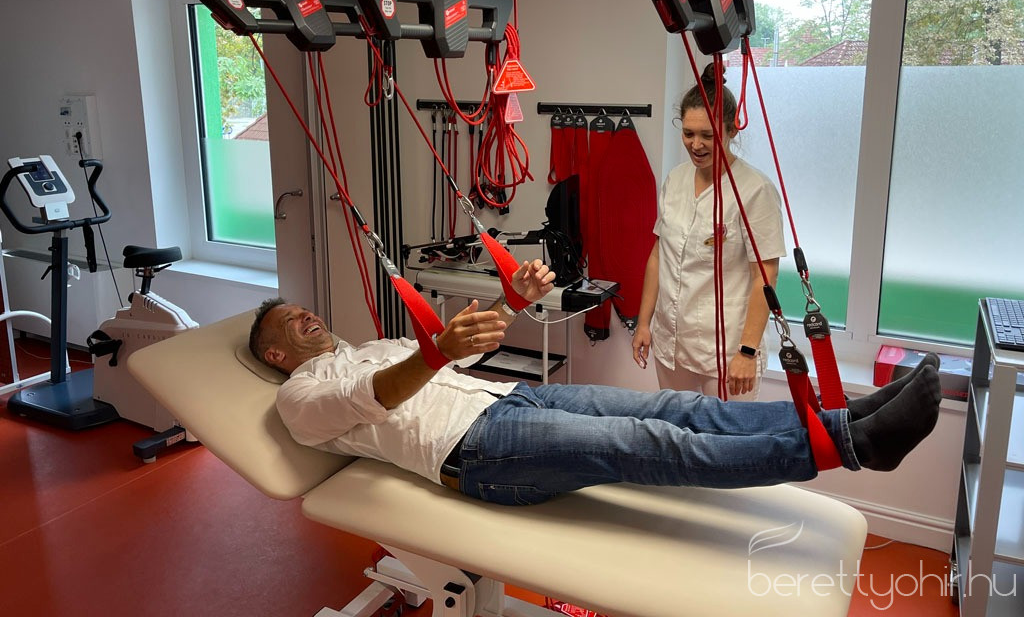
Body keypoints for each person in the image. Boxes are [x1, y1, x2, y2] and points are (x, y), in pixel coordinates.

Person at [249, 259, 942, 507]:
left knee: (674, 406)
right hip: (475, 454)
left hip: (511, 400)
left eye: (303, 309)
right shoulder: (296, 398)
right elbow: (372, 398)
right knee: (646, 442)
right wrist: (433, 355)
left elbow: (459, 355)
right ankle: (848, 449)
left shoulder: (375, 347)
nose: (306, 315)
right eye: (290, 322)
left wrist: (513, 301)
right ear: (276, 353)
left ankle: (843, 419)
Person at [632, 64, 785, 400]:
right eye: (688, 133)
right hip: (672, 342)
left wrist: (747, 352)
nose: (696, 144)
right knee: (675, 427)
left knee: (726, 434)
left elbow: (765, 275)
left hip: (729, 351)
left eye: (707, 135)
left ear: (731, 129)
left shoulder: (754, 190)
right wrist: (644, 322)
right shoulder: (676, 179)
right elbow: (659, 255)